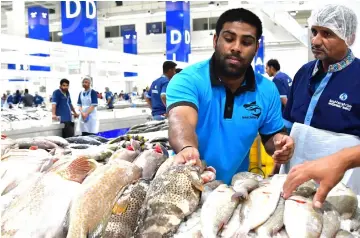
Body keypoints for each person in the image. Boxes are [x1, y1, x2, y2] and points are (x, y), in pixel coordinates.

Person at [166, 8, 294, 184]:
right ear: (216, 40)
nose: (236, 47)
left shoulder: (266, 90)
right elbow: (181, 119)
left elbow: (272, 137)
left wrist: (281, 143)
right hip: (188, 180)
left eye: (246, 42)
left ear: (256, 48)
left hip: (234, 188)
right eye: (229, 39)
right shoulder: (188, 80)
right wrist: (187, 147)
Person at [282, 4, 359, 207]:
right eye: (314, 31)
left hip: (342, 187)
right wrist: (282, 145)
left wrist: (343, 159)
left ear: (348, 36)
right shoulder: (303, 73)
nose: (315, 40)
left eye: (327, 34)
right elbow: (289, 125)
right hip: (294, 181)